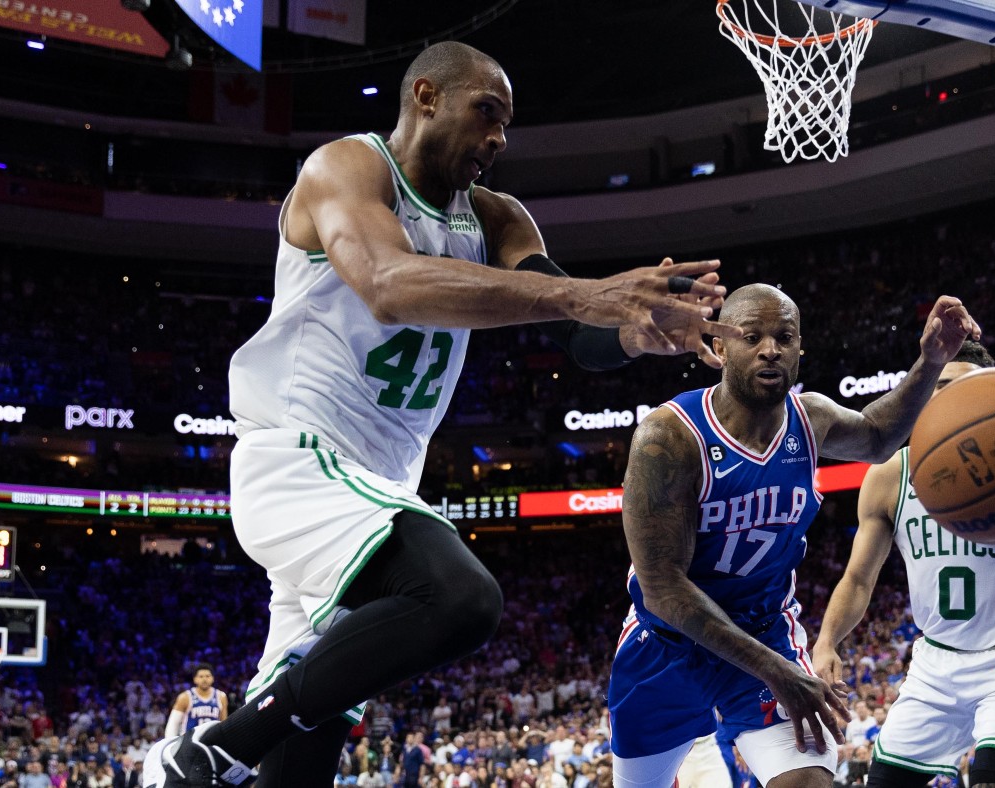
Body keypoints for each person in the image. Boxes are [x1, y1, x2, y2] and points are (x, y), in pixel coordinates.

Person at [141, 41, 739, 788]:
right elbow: (387, 284)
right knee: (460, 598)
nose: (499, 138)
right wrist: (585, 294)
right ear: (426, 96)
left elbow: (578, 337)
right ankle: (207, 752)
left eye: (507, 124)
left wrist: (635, 333)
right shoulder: (347, 169)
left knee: (303, 754)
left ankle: (221, 756)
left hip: (378, 489)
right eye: (487, 113)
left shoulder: (497, 217)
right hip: (300, 462)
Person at [611, 284, 980, 788]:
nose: (770, 349)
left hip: (765, 629)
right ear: (720, 348)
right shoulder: (668, 437)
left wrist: (931, 361)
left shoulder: (811, 419)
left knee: (808, 780)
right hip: (668, 644)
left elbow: (878, 437)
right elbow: (662, 589)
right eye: (752, 337)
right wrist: (777, 670)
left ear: (799, 348)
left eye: (784, 338)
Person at [812, 339, 995, 788]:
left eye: (962, 388)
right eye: (938, 387)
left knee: (992, 779)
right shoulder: (890, 475)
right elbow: (858, 579)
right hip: (933, 666)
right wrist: (827, 641)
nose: (947, 398)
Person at [166, 665, 228, 739]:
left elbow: (224, 723)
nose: (204, 679)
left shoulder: (221, 696)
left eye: (207, 676)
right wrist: (170, 741)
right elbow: (173, 724)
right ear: (195, 679)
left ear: (213, 678)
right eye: (201, 676)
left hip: (212, 741)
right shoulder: (185, 697)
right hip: (189, 741)